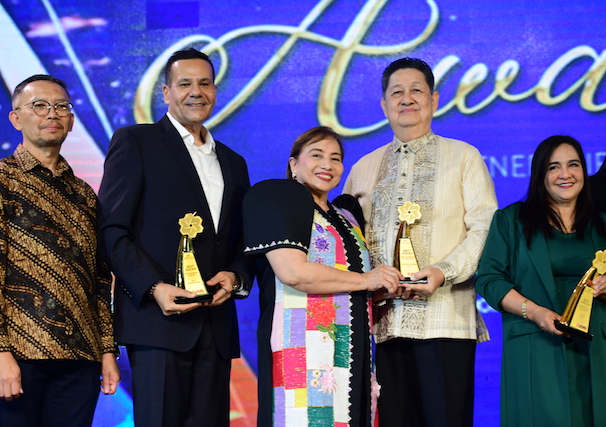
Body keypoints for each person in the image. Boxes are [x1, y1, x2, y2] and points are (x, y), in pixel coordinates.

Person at [98, 48, 252, 427]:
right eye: (184, 84)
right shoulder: (136, 142)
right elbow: (112, 230)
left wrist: (235, 276)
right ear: (166, 92)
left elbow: (241, 240)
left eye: (204, 83)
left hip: (216, 326)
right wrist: (153, 288)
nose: (195, 92)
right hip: (158, 323)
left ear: (215, 91)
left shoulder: (233, 162)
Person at [343, 57, 497, 427]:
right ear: (384, 104)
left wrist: (443, 272)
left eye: (417, 90)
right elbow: (347, 241)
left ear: (434, 100)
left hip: (445, 320)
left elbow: (485, 229)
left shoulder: (463, 157)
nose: (407, 98)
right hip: (384, 326)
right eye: (397, 92)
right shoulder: (362, 168)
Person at [0, 75, 119, 426]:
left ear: (71, 121)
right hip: (19, 354)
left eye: (61, 106)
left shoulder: (84, 195)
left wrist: (108, 349)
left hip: (81, 357)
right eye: (39, 106)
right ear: (16, 118)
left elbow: (99, 279)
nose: (52, 113)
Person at [243, 126, 402, 426]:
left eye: (336, 158)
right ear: (293, 164)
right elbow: (293, 272)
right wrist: (367, 280)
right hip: (302, 348)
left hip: (349, 350)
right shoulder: (275, 197)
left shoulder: (347, 217)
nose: (327, 164)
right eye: (316, 155)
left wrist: (384, 289)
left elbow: (349, 281)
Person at [475, 135, 606, 427]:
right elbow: (489, 279)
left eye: (573, 165)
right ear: (540, 174)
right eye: (553, 167)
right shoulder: (511, 220)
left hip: (596, 349)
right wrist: (535, 312)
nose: (565, 174)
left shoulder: (602, 224)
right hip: (536, 344)